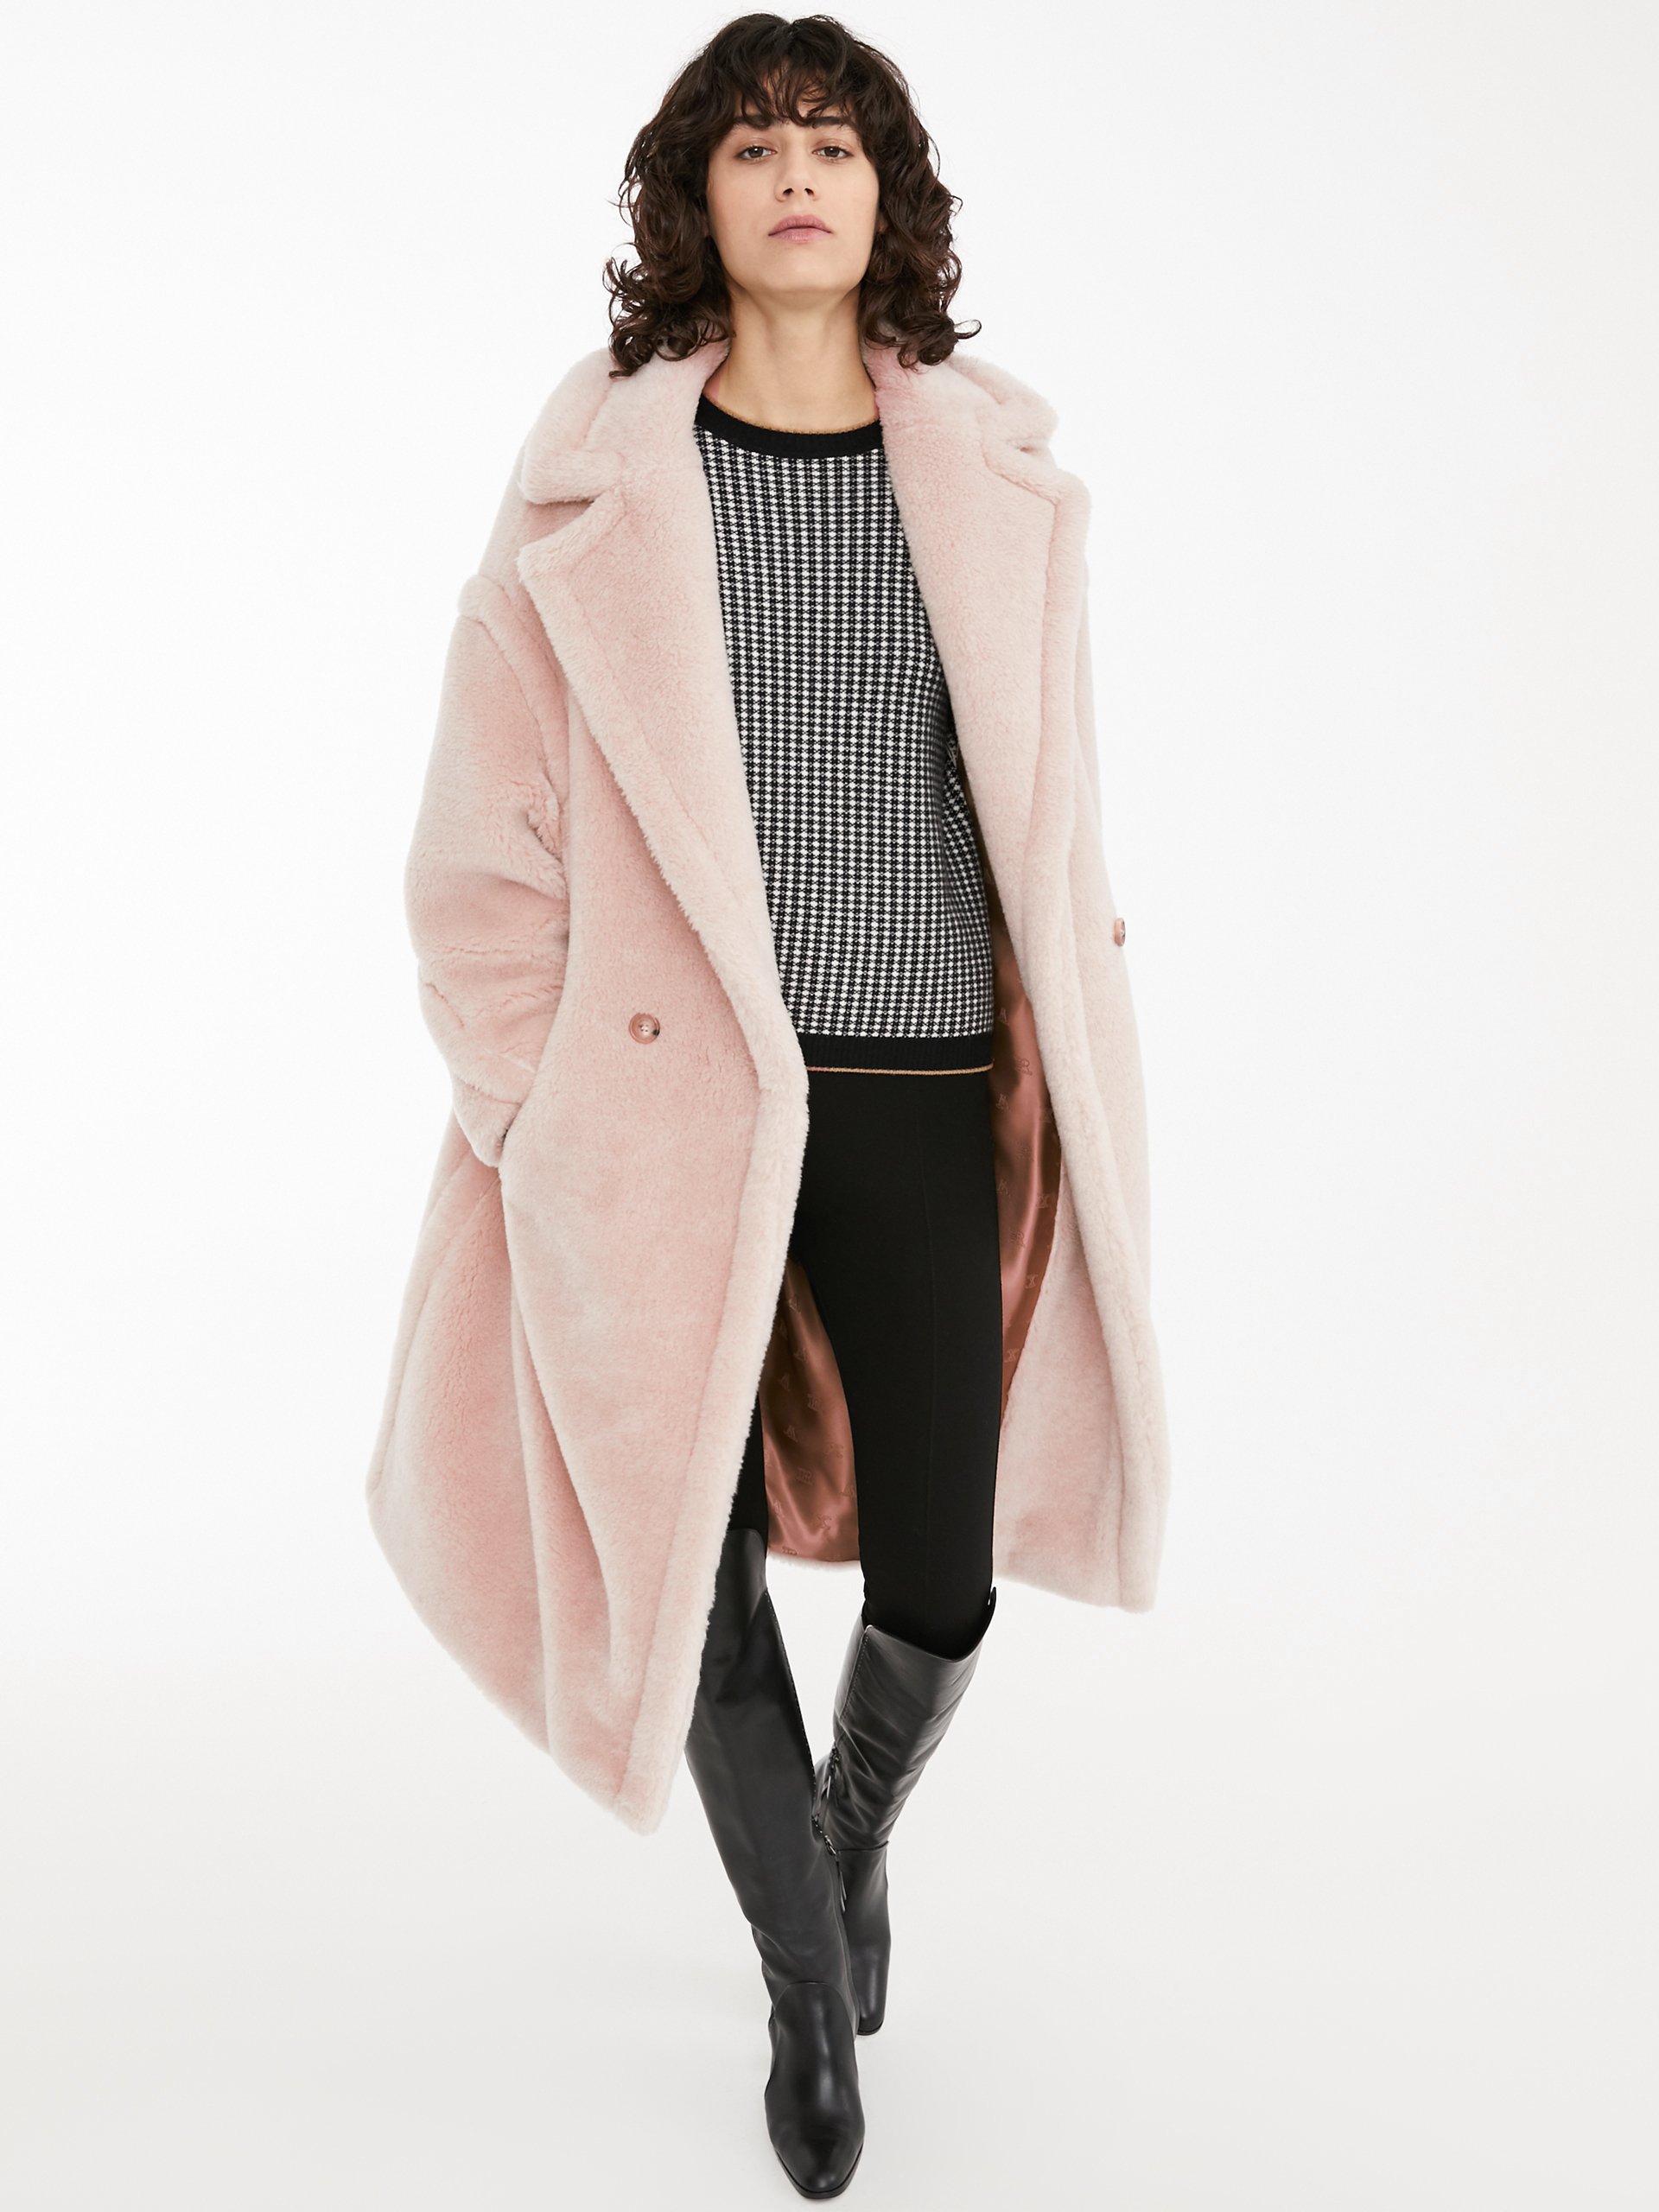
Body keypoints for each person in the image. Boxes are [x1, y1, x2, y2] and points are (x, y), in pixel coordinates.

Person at [367, 16, 1171, 2201]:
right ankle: (806, 1982)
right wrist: (530, 1102)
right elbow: (477, 853)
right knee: (690, 1558)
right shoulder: (592, 492)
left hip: (922, 1084)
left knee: (946, 1572)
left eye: (834, 142)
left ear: (887, 194)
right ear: (693, 201)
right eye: (753, 147)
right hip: (666, 1114)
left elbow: (1051, 820)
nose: (797, 174)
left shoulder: (997, 485)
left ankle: (842, 1831)